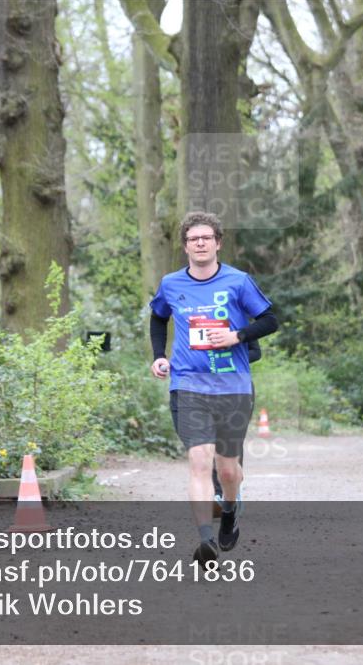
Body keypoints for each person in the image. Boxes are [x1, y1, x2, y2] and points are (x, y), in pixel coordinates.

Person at [149, 211, 278, 565]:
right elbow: (159, 316)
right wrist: (159, 356)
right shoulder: (172, 284)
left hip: (232, 387)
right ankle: (206, 540)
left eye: (207, 238)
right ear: (186, 246)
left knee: (227, 469)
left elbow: (270, 320)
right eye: (194, 239)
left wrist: (236, 335)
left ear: (218, 243)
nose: (200, 243)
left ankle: (231, 508)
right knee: (198, 460)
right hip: (188, 384)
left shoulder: (238, 281)